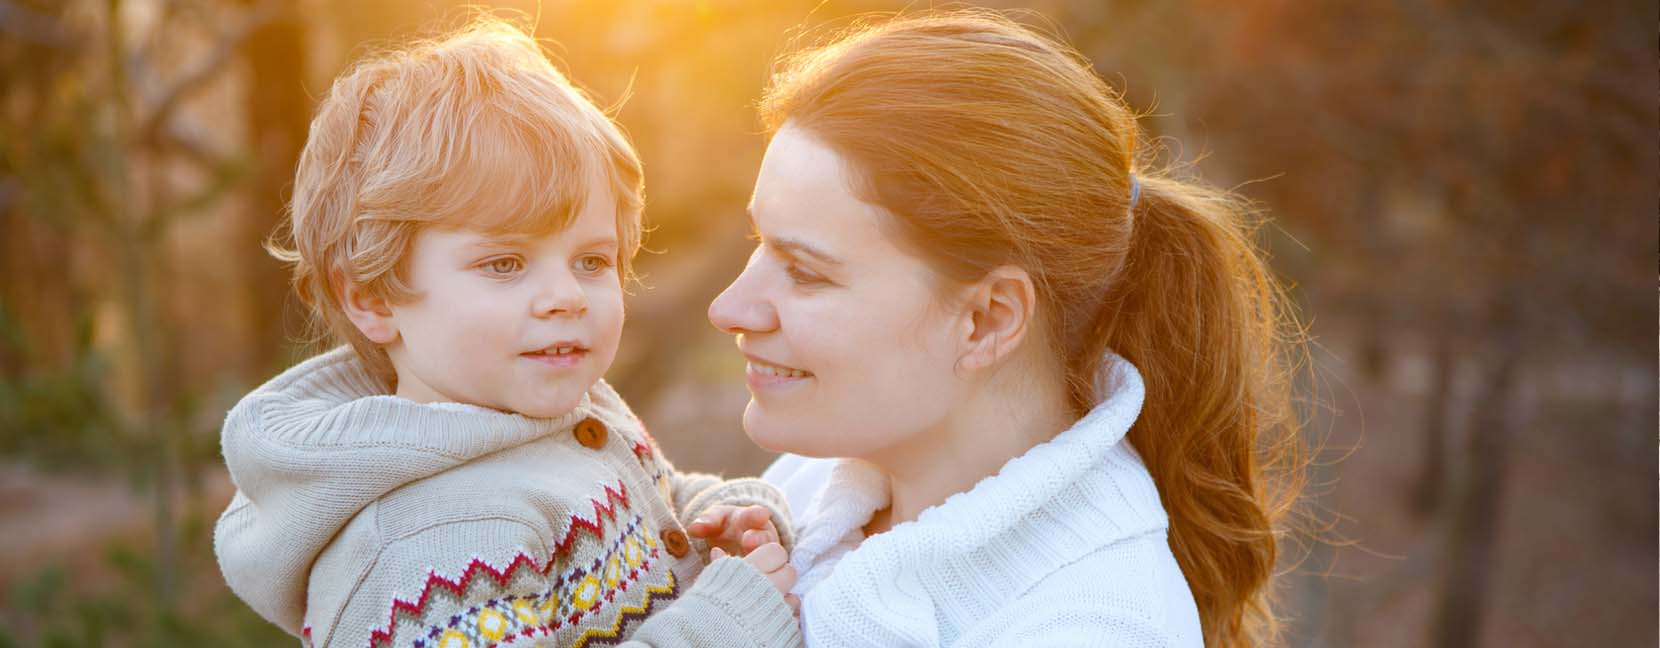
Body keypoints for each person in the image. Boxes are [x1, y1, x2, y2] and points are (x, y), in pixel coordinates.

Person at [709, 11, 1307, 647]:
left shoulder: (1098, 627)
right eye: (758, 242)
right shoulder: (813, 485)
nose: (729, 308)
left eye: (804, 270)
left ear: (987, 319)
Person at [213, 18, 801, 648]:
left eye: (592, 261)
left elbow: (654, 500)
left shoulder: (563, 405)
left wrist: (720, 517)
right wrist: (726, 625)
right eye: (504, 264)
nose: (566, 297)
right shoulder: (428, 549)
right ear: (373, 297)